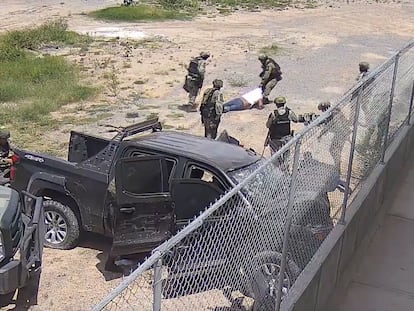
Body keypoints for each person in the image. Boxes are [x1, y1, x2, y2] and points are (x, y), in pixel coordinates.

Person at [317, 102, 351, 172]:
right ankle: (337, 166)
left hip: (341, 134)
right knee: (335, 150)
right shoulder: (332, 113)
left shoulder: (334, 114)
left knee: (333, 150)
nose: (322, 112)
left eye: (322, 110)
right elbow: (328, 126)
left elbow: (338, 126)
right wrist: (321, 134)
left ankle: (337, 167)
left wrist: (345, 135)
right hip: (341, 133)